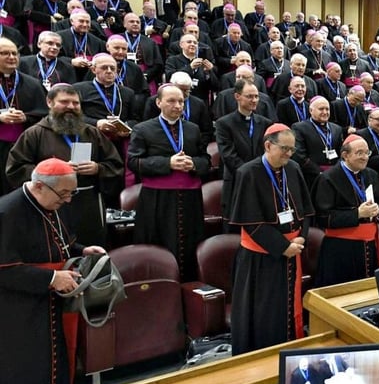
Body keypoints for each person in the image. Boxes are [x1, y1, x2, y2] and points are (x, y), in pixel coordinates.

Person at [0, 158, 106, 384]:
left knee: (57, 362)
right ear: (39, 186)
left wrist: (81, 250)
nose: (68, 200)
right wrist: (50, 279)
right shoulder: (7, 212)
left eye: (72, 193)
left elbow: (56, 241)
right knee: (28, 369)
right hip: (20, 311)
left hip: (53, 304)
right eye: (64, 194)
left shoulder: (51, 200)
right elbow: (4, 269)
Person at [229, 124, 314, 355]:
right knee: (264, 313)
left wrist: (301, 239)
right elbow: (251, 222)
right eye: (284, 149)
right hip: (261, 258)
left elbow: (306, 212)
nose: (288, 154)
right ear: (268, 145)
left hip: (292, 250)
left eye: (292, 149)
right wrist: (283, 246)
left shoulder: (293, 168)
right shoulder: (248, 172)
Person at [7, 84, 123, 244]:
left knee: (92, 249)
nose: (71, 107)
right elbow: (15, 169)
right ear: (49, 102)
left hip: (87, 204)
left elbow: (115, 164)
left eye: (76, 103)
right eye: (64, 102)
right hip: (51, 203)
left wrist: (98, 168)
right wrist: (53, 173)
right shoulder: (34, 134)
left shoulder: (91, 132)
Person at [127, 84, 210, 281]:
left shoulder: (192, 129)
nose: (178, 105)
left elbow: (206, 160)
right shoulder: (143, 129)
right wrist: (168, 163)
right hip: (158, 199)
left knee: (190, 245)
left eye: (181, 101)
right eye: (171, 101)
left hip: (190, 198)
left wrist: (193, 164)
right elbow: (133, 162)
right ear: (158, 102)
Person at [313, 135, 379, 287]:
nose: (364, 157)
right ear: (345, 155)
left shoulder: (371, 174)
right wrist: (358, 214)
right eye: (359, 153)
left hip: (370, 245)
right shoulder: (328, 178)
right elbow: (323, 217)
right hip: (340, 249)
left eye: (367, 153)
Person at [215, 80, 273, 228]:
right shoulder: (224, 123)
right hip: (237, 180)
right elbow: (228, 155)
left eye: (256, 96)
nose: (254, 100)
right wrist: (250, 173)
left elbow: (268, 151)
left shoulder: (265, 123)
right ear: (237, 97)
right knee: (235, 227)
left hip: (261, 180)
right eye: (249, 96)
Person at [0, 37, 49, 194]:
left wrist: (26, 118)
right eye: (5, 53)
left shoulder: (32, 83)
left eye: (15, 53)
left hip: (24, 146)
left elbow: (44, 113)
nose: (12, 57)